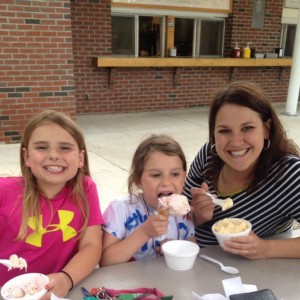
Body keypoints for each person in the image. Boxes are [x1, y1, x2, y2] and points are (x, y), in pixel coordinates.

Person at [183, 81, 300, 259]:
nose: (236, 142)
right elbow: (179, 216)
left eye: (247, 128)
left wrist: (265, 249)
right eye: (224, 131)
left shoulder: (288, 175)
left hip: (247, 275)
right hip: (187, 261)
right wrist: (195, 215)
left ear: (266, 129)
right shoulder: (208, 154)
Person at [0, 110, 104, 298]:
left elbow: (92, 245)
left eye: (65, 148)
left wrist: (66, 278)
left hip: (58, 292)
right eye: (42, 147)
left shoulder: (85, 189)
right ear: (27, 157)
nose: (54, 155)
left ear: (80, 158)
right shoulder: (4, 191)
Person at [100, 134, 195, 267]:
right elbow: (105, 261)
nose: (166, 183)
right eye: (156, 175)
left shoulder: (184, 213)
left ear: (184, 177)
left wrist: (174, 248)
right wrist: (144, 233)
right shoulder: (120, 209)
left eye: (175, 174)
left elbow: (192, 248)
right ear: (138, 180)